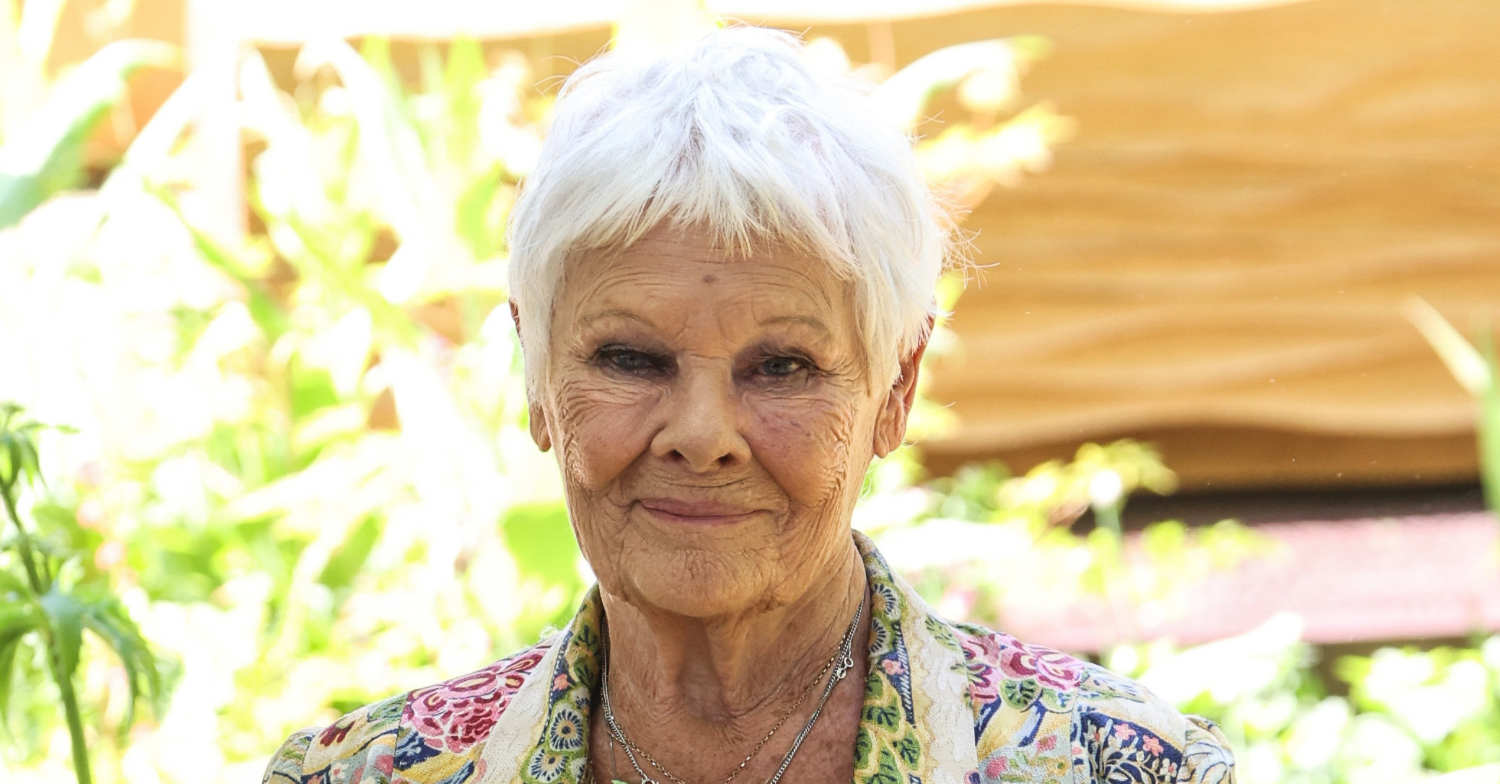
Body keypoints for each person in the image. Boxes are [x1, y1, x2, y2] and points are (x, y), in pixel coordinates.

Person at [262, 26, 1236, 784]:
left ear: (895, 387)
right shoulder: (368, 772)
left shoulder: (1118, 766)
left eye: (782, 367)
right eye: (631, 358)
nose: (702, 434)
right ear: (536, 378)